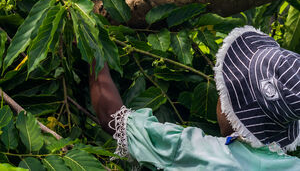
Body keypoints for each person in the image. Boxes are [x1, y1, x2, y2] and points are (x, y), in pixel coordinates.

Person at [89, 26, 300, 170]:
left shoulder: (203, 153)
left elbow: (113, 117)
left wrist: (90, 38)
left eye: (222, 89)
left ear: (232, 108)